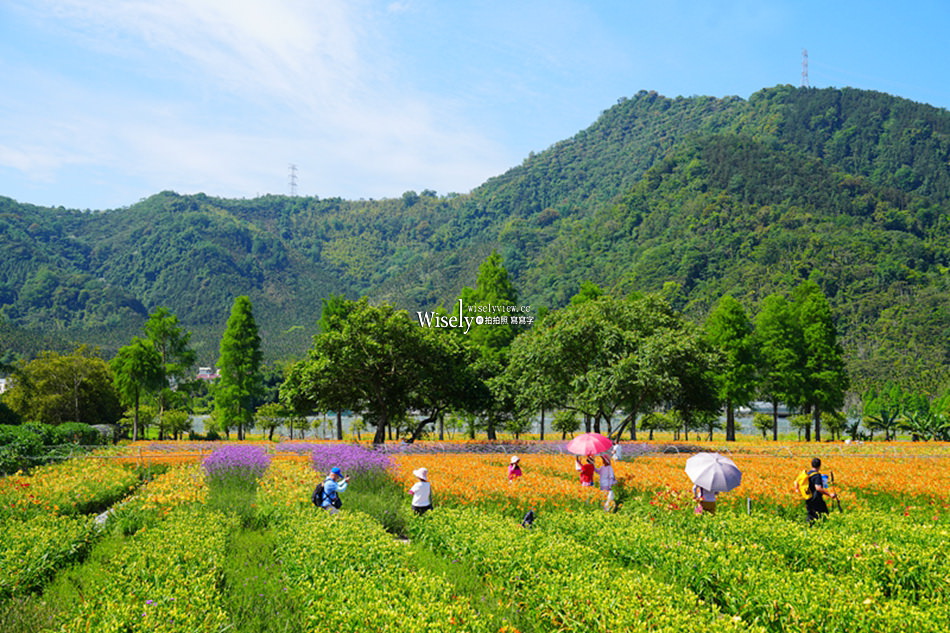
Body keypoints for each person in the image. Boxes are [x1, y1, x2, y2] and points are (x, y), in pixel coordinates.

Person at [803, 457, 836, 524]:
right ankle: (824, 527)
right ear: (820, 465)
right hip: (816, 499)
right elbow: (818, 488)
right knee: (824, 514)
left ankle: (808, 528)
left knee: (811, 515)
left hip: (808, 497)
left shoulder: (808, 474)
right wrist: (830, 494)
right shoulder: (817, 475)